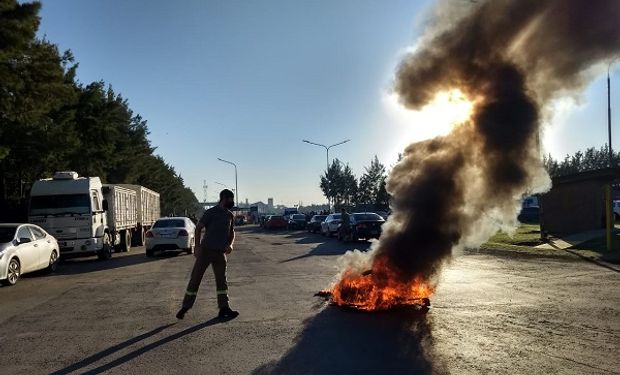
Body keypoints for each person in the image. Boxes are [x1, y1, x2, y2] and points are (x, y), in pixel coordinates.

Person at [176, 189, 239, 320]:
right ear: (224, 199)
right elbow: (198, 227)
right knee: (195, 279)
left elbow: (232, 232)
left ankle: (224, 308)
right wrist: (197, 247)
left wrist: (230, 244)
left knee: (222, 282)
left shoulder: (230, 215)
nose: (232, 202)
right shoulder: (211, 212)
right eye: (231, 199)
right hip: (206, 251)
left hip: (220, 253)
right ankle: (185, 307)